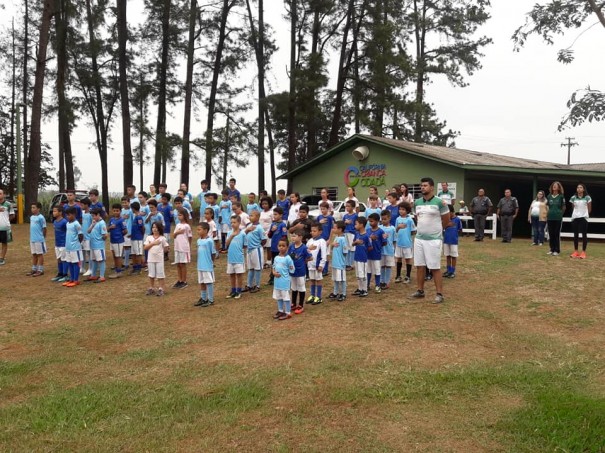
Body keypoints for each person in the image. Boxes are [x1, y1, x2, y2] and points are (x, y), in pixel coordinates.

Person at [410, 177, 450, 304]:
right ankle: (420, 291)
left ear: (432, 187)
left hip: (434, 240)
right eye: (421, 185)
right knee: (420, 266)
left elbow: (446, 220)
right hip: (419, 239)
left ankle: (439, 294)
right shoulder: (417, 202)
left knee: (434, 267)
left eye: (425, 185)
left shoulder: (440, 203)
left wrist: (437, 232)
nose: (422, 187)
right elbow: (417, 218)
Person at [194, 222, 217, 307]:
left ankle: (210, 300)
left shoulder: (209, 241)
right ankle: (203, 298)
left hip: (207, 265)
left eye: (199, 229)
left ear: (205, 230)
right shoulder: (198, 241)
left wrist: (211, 262)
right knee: (202, 282)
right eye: (197, 229)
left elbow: (213, 253)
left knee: (209, 282)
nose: (198, 231)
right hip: (200, 265)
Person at [271, 238, 295, 320]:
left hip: (284, 281)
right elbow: (273, 266)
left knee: (285, 297)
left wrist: (290, 268)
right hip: (277, 282)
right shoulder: (276, 257)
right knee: (279, 297)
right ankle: (280, 310)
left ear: (287, 247)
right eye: (279, 245)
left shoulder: (288, 258)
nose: (281, 247)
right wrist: (274, 272)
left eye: (283, 246)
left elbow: (292, 269)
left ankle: (288, 312)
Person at [144, 221, 170, 296]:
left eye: (156, 227)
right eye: (153, 227)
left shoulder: (162, 238)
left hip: (159, 259)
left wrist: (165, 250)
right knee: (151, 274)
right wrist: (153, 243)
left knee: (160, 274)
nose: (154, 229)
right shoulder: (149, 237)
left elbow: (166, 247)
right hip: (151, 259)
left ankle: (161, 288)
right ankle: (151, 288)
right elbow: (145, 247)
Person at [288, 230, 310, 314]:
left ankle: (301, 305)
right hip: (292, 271)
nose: (292, 238)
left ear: (300, 237)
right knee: (293, 287)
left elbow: (310, 257)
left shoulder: (304, 248)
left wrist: (304, 261)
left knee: (301, 287)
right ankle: (293, 303)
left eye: (295, 236)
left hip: (300, 271)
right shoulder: (291, 246)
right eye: (292, 236)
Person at [225, 215, 247, 299]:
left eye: (234, 222)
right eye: (231, 222)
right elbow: (226, 244)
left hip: (238, 258)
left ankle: (239, 290)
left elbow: (245, 245)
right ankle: (233, 290)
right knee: (232, 274)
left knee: (239, 275)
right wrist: (231, 236)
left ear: (239, 223)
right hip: (230, 258)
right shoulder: (229, 233)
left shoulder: (242, 234)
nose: (233, 224)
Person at [394, 201, 416, 284]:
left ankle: (408, 276)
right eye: (400, 209)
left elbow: (413, 231)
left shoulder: (409, 220)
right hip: (399, 242)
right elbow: (395, 230)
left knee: (408, 259)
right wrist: (398, 228)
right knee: (399, 258)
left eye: (403, 209)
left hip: (407, 243)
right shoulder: (397, 219)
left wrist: (407, 235)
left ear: (407, 210)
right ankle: (398, 275)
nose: (401, 211)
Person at [243, 210, 265, 293]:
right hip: (249, 250)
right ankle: (249, 285)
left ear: (257, 217)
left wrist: (258, 246)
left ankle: (257, 285)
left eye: (252, 215)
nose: (250, 217)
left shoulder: (259, 228)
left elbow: (264, 239)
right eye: (250, 215)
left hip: (256, 250)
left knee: (257, 268)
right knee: (251, 268)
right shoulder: (249, 226)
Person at [62, 206, 84, 287]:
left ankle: (76, 280)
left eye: (69, 215)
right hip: (68, 248)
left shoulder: (76, 224)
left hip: (75, 248)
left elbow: (81, 235)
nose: (68, 217)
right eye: (66, 215)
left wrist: (78, 244)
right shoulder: (67, 224)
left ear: (74, 214)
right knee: (70, 263)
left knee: (75, 264)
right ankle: (71, 279)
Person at [306, 224, 327, 305]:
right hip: (310, 264)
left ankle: (318, 297)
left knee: (318, 280)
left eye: (314, 231)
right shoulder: (310, 241)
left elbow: (324, 254)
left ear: (320, 232)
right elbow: (306, 250)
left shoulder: (322, 241)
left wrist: (321, 264)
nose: (312, 232)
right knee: (312, 280)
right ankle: (312, 295)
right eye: (311, 231)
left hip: (317, 265)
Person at [569, 183, 592, 259]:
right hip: (575, 218)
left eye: (580, 187)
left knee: (584, 235)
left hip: (583, 218)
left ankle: (583, 252)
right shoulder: (573, 197)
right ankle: (576, 251)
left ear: (583, 189)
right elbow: (573, 208)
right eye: (578, 187)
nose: (579, 189)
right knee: (575, 235)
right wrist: (576, 215)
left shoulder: (587, 197)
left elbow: (589, 209)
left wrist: (584, 215)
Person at [267, 206, 288, 286]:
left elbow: (284, 237)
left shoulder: (283, 225)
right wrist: (272, 231)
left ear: (281, 215)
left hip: (280, 249)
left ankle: (282, 276)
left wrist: (283, 247)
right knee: (274, 263)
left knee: (281, 263)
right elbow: (269, 235)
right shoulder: (273, 224)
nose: (274, 216)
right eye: (273, 214)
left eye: (276, 214)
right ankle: (272, 277)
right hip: (273, 247)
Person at [87, 208, 107, 283]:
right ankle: (93, 275)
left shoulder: (102, 223)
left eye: (94, 216)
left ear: (98, 215)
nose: (93, 217)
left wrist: (100, 241)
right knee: (94, 260)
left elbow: (105, 235)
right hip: (93, 245)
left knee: (101, 260)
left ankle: (102, 276)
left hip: (99, 246)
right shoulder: (94, 222)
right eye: (92, 216)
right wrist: (92, 225)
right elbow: (88, 231)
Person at [329, 220, 348, 302]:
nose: (333, 229)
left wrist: (342, 260)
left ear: (340, 229)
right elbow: (332, 247)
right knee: (336, 279)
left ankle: (343, 293)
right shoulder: (336, 237)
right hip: (335, 263)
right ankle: (335, 292)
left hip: (340, 263)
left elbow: (345, 251)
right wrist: (332, 245)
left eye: (335, 228)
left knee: (342, 279)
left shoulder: (343, 239)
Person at [107, 203, 128, 279]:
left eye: (117, 211)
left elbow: (125, 231)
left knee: (118, 256)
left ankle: (119, 272)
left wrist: (119, 234)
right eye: (114, 211)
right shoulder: (111, 220)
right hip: (112, 240)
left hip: (119, 241)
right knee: (114, 256)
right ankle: (116, 269)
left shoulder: (122, 220)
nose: (116, 212)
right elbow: (107, 229)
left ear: (120, 211)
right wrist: (110, 227)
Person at [352, 217, 371, 297]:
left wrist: (364, 248)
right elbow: (353, 244)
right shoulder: (356, 234)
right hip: (356, 257)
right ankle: (360, 289)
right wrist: (356, 242)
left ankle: (365, 290)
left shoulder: (366, 236)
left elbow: (370, 247)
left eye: (356, 224)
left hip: (363, 258)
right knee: (358, 274)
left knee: (362, 274)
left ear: (361, 225)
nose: (355, 225)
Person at [366, 213, 385, 293]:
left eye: (372, 221)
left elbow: (384, 242)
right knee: (368, 270)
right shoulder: (367, 231)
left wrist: (378, 244)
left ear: (377, 221)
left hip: (376, 254)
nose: (370, 223)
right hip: (368, 254)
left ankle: (377, 285)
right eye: (369, 221)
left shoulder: (381, 231)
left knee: (377, 270)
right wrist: (370, 238)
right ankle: (367, 285)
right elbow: (365, 240)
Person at [28, 202, 47, 277]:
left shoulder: (41, 217)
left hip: (39, 239)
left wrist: (42, 237)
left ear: (38, 209)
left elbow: (44, 228)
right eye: (31, 207)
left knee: (39, 254)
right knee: (34, 254)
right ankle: (34, 268)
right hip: (32, 239)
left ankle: (40, 269)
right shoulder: (32, 217)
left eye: (34, 207)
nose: (32, 209)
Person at [546, 181, 566, 256]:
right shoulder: (549, 196)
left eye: (556, 185)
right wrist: (547, 213)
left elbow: (564, 207)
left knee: (556, 233)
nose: (554, 186)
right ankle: (551, 249)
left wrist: (560, 214)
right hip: (550, 217)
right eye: (553, 185)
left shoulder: (561, 196)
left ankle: (557, 250)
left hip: (558, 218)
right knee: (551, 234)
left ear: (559, 187)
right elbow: (547, 206)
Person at [443, 205, 462, 278]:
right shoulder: (446, 219)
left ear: (452, 212)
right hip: (446, 240)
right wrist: (447, 225)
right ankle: (448, 270)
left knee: (453, 256)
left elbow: (460, 229)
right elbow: (442, 227)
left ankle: (453, 271)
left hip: (453, 241)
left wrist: (456, 236)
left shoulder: (457, 219)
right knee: (447, 255)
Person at [50, 205, 68, 282]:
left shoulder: (64, 222)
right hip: (57, 244)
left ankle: (65, 275)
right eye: (53, 211)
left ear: (60, 212)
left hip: (63, 244)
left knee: (64, 259)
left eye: (55, 211)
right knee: (59, 259)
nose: (53, 213)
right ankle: (60, 274)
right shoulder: (55, 222)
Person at [379, 210, 396, 289]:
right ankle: (381, 281)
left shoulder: (392, 228)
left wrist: (394, 249)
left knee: (388, 266)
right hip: (381, 250)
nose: (383, 221)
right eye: (382, 219)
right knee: (382, 266)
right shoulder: (379, 228)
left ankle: (387, 282)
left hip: (389, 250)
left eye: (385, 219)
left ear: (389, 218)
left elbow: (394, 240)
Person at [129, 201, 145, 275]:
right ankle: (135, 267)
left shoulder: (139, 217)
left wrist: (141, 235)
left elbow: (141, 227)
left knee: (138, 253)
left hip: (138, 238)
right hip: (133, 237)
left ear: (133, 208)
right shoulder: (135, 216)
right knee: (134, 253)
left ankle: (138, 268)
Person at [0, 189, 15, 265]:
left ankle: (2, 258)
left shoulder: (8, 204)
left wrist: (6, 221)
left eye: (0, 193)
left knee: (4, 243)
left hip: (5, 227)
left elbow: (12, 215)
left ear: (4, 195)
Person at [342, 200, 357, 270]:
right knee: (346, 248)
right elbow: (342, 225)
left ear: (353, 207)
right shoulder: (345, 216)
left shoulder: (355, 216)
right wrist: (345, 223)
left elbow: (357, 225)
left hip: (352, 233)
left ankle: (351, 264)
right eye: (346, 206)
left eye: (348, 206)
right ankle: (347, 263)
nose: (347, 208)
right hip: (346, 233)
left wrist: (351, 223)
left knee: (352, 248)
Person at [79, 198, 93, 276]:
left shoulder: (91, 213)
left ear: (87, 205)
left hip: (88, 237)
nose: (81, 206)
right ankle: (82, 267)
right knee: (82, 252)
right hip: (83, 236)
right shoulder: (83, 212)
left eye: (82, 205)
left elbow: (93, 224)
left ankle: (90, 269)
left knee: (89, 253)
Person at [259, 197, 274, 267]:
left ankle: (269, 261)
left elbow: (273, 222)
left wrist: (270, 231)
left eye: (266, 204)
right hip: (261, 232)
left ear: (269, 204)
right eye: (263, 204)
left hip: (268, 232)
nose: (264, 205)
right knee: (261, 246)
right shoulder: (261, 213)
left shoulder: (271, 213)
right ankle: (261, 260)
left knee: (268, 247)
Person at [158, 193, 173, 260]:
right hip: (159, 225)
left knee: (166, 240)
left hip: (166, 226)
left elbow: (171, 217)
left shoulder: (169, 208)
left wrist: (168, 223)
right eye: (162, 199)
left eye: (165, 199)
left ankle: (166, 254)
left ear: (168, 200)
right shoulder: (159, 206)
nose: (163, 200)